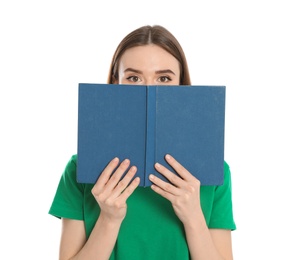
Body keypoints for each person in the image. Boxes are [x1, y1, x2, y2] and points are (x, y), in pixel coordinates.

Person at [49, 25, 236, 260]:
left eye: (164, 78)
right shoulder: (79, 169)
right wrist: (109, 219)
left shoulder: (214, 173)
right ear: (116, 83)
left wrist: (193, 217)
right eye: (134, 77)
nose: (149, 88)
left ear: (182, 86)